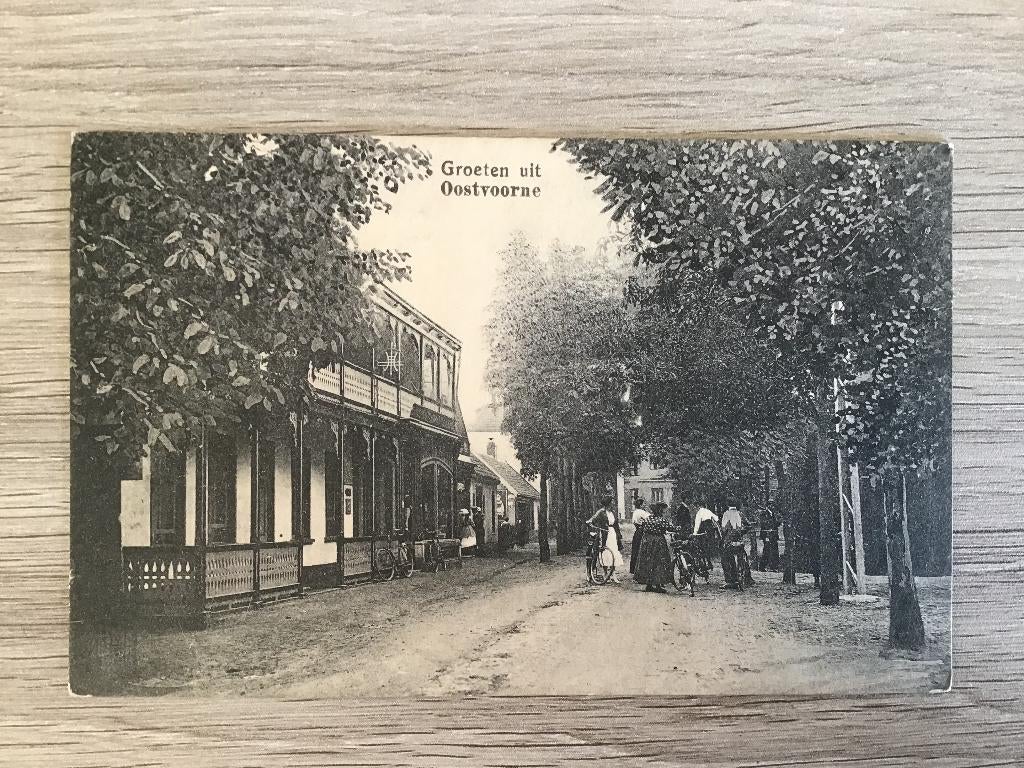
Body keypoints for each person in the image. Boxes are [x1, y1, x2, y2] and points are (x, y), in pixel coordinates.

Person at [633, 501, 675, 592]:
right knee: (659, 562)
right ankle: (658, 585)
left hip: (647, 542)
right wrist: (677, 528)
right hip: (658, 542)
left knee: (648, 562)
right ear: (660, 511)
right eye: (663, 510)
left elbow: (644, 527)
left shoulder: (648, 519)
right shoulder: (661, 520)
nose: (664, 512)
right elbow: (670, 528)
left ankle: (649, 584)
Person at [587, 495, 624, 583]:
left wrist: (618, 535)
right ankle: (605, 573)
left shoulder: (613, 512)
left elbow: (616, 525)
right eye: (612, 502)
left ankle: (613, 574)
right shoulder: (601, 512)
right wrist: (590, 523)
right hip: (604, 534)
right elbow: (592, 520)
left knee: (614, 552)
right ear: (608, 503)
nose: (613, 504)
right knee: (605, 552)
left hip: (612, 533)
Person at [628, 496, 651, 574]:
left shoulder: (635, 512)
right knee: (643, 550)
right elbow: (650, 518)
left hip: (637, 532)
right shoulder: (642, 512)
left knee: (636, 550)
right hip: (642, 532)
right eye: (644, 504)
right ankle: (642, 570)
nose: (645, 505)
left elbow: (634, 522)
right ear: (641, 505)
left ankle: (633, 569)